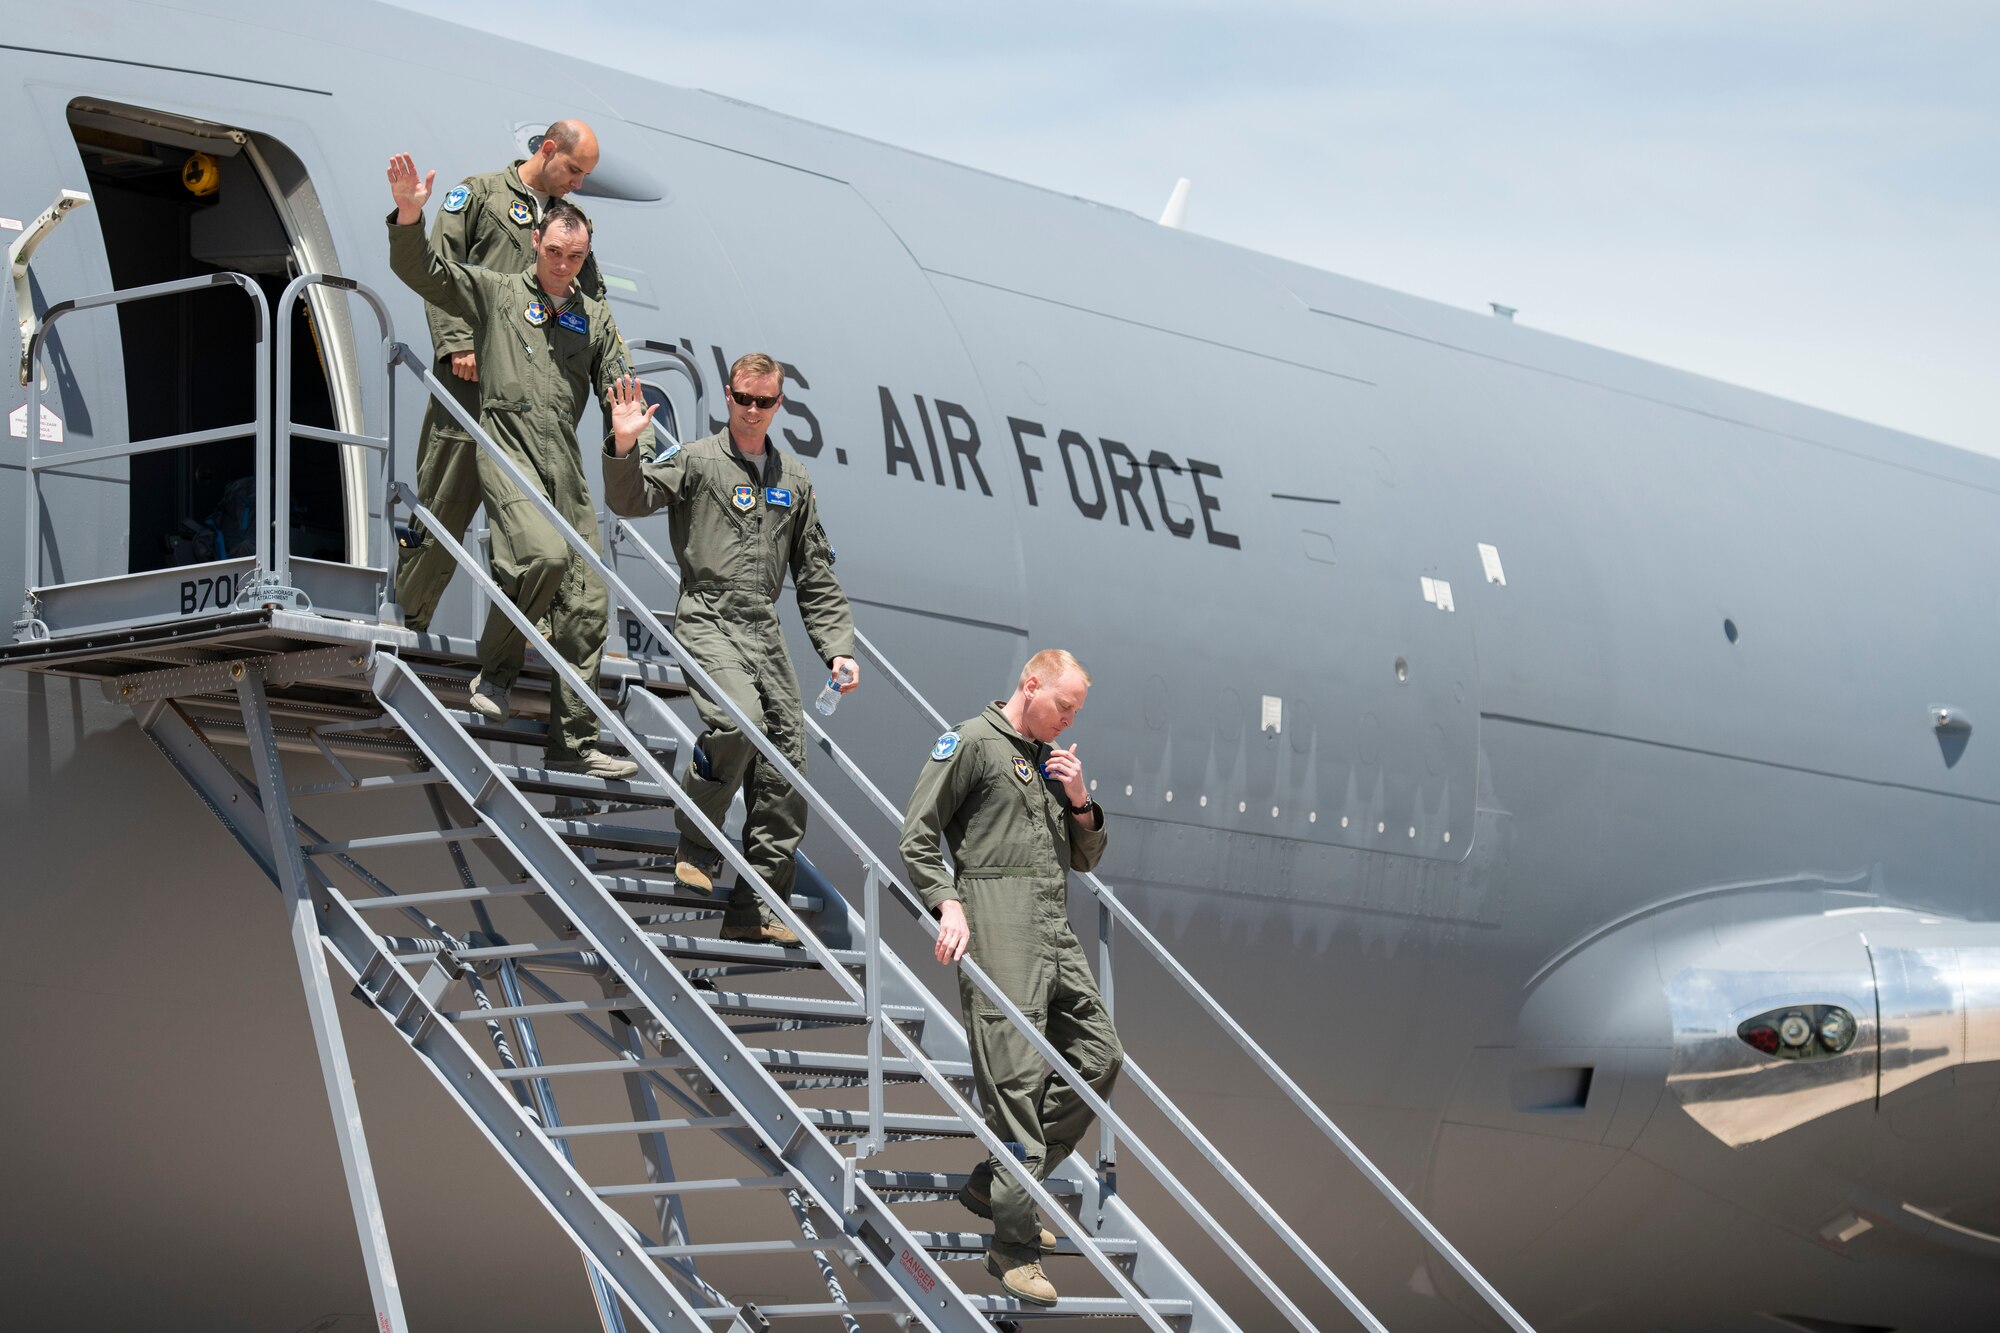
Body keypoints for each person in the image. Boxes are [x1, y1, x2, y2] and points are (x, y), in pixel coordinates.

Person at [384, 151, 643, 779]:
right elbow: (428, 273)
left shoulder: (592, 312)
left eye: (575, 256)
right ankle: (490, 669)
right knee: (540, 557)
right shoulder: (499, 291)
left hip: (564, 456)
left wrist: (628, 426)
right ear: (536, 244)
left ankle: (573, 740)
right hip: (507, 441)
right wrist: (409, 214)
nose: (563, 264)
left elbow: (618, 375)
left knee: (587, 599)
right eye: (555, 252)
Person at [602, 353, 859, 946]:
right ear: (727, 396)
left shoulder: (792, 480)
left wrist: (837, 649)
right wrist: (623, 446)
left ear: (778, 405)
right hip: (709, 615)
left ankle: (757, 906)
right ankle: (696, 842)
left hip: (763, 629)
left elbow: (814, 572)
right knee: (736, 720)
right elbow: (632, 499)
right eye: (742, 398)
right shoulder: (696, 460)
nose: (750, 410)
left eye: (763, 402)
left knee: (786, 763)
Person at [898, 649, 1123, 1308]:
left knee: (1101, 1056)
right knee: (1018, 1081)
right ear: (1031, 683)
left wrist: (1080, 798)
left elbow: (1085, 858)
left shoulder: (1051, 763)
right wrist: (950, 902)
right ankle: (1013, 1247)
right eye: (1064, 705)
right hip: (999, 923)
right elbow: (917, 833)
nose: (1068, 719)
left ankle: (1001, 1182)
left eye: (1075, 711)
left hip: (1053, 924)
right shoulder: (971, 742)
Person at [394, 120, 607, 634]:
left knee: (537, 523)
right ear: (549, 150)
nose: (578, 182)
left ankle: (527, 636)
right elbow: (440, 268)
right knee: (446, 499)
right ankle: (407, 617)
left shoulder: (570, 223)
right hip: (471, 383)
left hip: (533, 395)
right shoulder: (480, 194)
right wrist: (456, 344)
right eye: (574, 170)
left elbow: (591, 301)